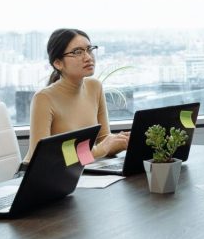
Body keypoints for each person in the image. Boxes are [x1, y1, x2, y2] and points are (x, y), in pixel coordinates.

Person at [26, 28, 129, 163]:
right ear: (58, 63)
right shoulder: (44, 98)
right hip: (36, 177)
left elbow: (104, 140)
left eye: (89, 50)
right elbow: (42, 158)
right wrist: (101, 149)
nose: (88, 57)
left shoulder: (94, 87)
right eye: (78, 52)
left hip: (79, 172)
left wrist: (121, 142)